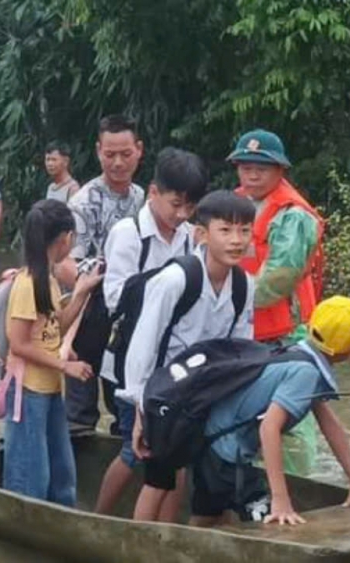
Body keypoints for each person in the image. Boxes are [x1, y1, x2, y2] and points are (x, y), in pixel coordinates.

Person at [190, 296, 350, 528]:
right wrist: (280, 500)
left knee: (207, 517)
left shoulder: (299, 352)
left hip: (211, 444)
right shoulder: (305, 373)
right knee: (272, 522)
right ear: (347, 352)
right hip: (227, 456)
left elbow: (329, 423)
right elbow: (269, 428)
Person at [120, 190, 256, 522]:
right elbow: (143, 345)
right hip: (162, 394)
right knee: (158, 479)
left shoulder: (244, 284)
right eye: (225, 231)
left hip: (202, 393)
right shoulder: (175, 280)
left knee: (182, 474)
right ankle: (137, 549)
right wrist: (141, 409)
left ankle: (167, 544)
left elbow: (239, 351)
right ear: (202, 234)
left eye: (245, 231)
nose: (236, 240)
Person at [93, 147, 207, 515]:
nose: (182, 215)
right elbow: (113, 298)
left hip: (175, 366)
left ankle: (167, 530)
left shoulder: (190, 237)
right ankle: (100, 517)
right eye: (175, 204)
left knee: (178, 451)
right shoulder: (128, 234)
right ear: (154, 192)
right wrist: (166, 285)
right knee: (133, 447)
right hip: (131, 360)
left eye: (189, 207)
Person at [2, 199, 103, 506]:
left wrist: (82, 292)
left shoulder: (49, 279)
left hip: (48, 389)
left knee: (62, 475)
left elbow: (54, 327)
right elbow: (18, 344)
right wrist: (64, 366)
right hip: (29, 389)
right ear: (65, 238)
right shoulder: (28, 283)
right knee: (31, 478)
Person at [65, 113, 146, 431]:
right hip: (90, 306)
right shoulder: (84, 201)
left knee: (124, 398)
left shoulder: (143, 198)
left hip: (130, 310)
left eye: (125, 154)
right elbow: (66, 264)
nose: (117, 162)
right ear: (98, 151)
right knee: (81, 404)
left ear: (139, 150)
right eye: (110, 154)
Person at [229, 128, 323, 344]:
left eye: (261, 169)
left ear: (280, 170)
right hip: (247, 327)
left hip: (285, 332)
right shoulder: (235, 202)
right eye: (246, 168)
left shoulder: (293, 215)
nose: (252, 176)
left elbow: (280, 277)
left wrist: (225, 301)